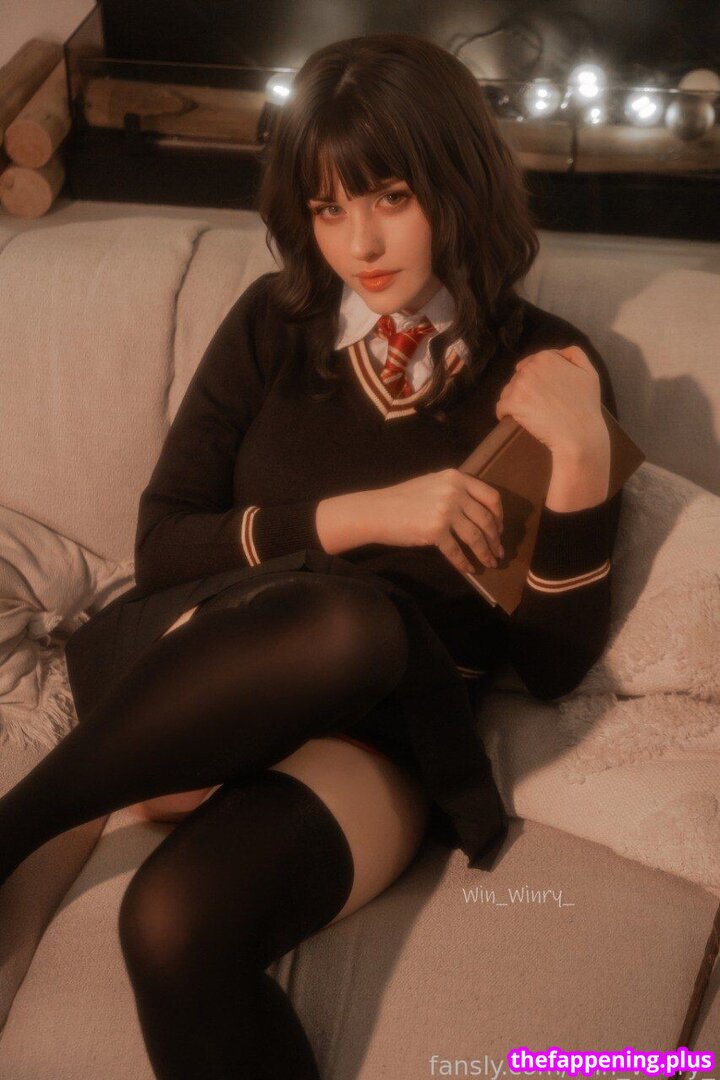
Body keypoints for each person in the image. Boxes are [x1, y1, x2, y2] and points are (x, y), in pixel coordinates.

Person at [0, 31, 623, 1080]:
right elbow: (164, 543)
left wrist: (587, 455)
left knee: (173, 927)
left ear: (458, 183)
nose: (358, 243)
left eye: (389, 197)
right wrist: (370, 516)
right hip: (197, 672)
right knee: (343, 615)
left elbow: (552, 667)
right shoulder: (273, 325)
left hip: (377, 734)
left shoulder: (544, 368)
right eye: (328, 209)